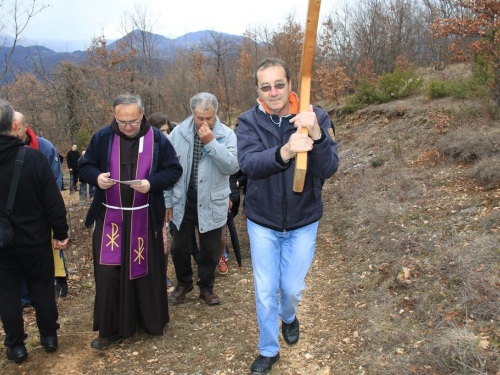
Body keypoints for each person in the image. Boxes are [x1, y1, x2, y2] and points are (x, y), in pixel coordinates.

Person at [237, 57, 339, 374]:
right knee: (265, 290)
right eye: (265, 86)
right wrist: (285, 152)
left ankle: (289, 315)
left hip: (303, 219)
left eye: (279, 84)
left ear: (290, 85)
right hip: (263, 221)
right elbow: (249, 164)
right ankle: (269, 349)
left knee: (292, 289)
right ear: (258, 90)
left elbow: (329, 168)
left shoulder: (316, 116)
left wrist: (318, 136)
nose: (273, 91)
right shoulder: (248, 121)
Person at [79, 93, 182, 350]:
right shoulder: (103, 137)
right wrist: (96, 178)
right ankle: (110, 329)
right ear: (114, 116)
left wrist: (151, 184)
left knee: (144, 271)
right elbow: (85, 166)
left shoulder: (157, 139)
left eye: (133, 121)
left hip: (144, 217)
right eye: (121, 121)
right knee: (108, 273)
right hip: (109, 218)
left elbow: (173, 170)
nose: (127, 127)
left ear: (142, 114)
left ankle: (148, 321)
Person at [0, 99, 69, 363]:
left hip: (2, 244)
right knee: (42, 288)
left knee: (7, 293)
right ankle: (49, 336)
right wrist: (60, 232)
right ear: (14, 125)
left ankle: (15, 345)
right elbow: (53, 201)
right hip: (35, 239)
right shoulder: (34, 158)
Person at [164, 92, 239, 306]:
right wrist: (167, 202)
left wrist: (211, 142)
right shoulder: (177, 134)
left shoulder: (226, 134)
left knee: (210, 249)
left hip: (212, 200)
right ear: (192, 114)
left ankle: (206, 287)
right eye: (200, 118)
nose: (205, 122)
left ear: (216, 115)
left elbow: (232, 166)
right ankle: (184, 282)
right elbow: (168, 170)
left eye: (210, 118)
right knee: (179, 248)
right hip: (183, 200)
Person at [14, 111, 69, 299]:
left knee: (56, 247)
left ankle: (61, 279)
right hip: (19, 212)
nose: (15, 132)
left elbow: (55, 181)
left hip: (44, 206)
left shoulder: (44, 147)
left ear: (24, 126)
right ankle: (25, 294)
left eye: (18, 128)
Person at [217, 170, 246, 274]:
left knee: (223, 231)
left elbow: (242, 175)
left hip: (227, 198)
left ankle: (222, 254)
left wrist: (237, 184)